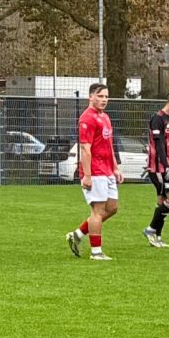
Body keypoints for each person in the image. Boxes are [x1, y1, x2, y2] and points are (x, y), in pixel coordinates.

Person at [66, 81, 121, 261]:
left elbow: (109, 145)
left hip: (106, 170)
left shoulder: (105, 117)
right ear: (91, 97)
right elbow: (85, 149)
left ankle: (78, 234)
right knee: (97, 211)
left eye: (106, 96)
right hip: (95, 171)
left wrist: (115, 167)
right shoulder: (87, 118)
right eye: (100, 96)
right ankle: (96, 252)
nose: (104, 100)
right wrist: (87, 175)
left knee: (112, 208)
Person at [143, 88, 169, 248]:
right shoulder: (157, 119)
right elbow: (159, 144)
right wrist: (165, 165)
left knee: (162, 201)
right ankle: (150, 229)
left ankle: (157, 237)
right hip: (159, 168)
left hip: (168, 168)